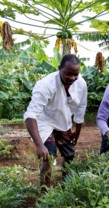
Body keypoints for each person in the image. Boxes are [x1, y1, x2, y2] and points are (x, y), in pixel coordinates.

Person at [24, 54, 87, 188]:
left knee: (69, 154)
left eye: (76, 74)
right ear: (59, 69)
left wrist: (77, 132)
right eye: (68, 74)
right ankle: (44, 190)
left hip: (64, 121)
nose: (72, 78)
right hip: (44, 122)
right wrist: (39, 144)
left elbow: (81, 108)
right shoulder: (46, 85)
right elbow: (31, 115)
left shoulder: (81, 84)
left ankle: (67, 183)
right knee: (49, 155)